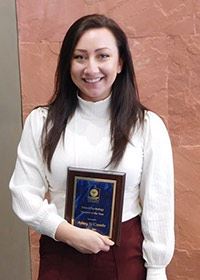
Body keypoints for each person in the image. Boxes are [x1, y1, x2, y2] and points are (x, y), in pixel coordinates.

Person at [9, 14, 174, 280]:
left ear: (120, 62)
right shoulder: (42, 123)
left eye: (103, 56)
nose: (91, 68)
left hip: (125, 255)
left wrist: (157, 269)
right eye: (80, 57)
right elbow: (23, 194)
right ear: (67, 64)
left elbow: (159, 203)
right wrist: (68, 233)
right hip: (61, 252)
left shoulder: (147, 126)